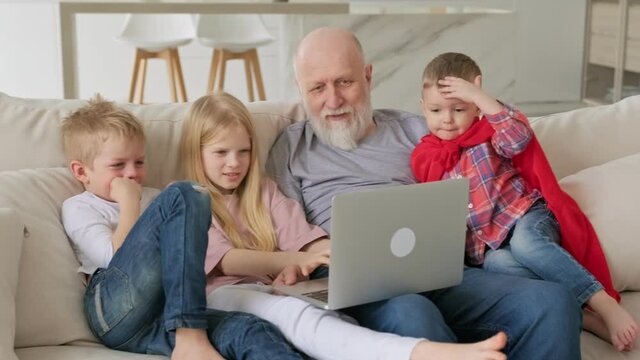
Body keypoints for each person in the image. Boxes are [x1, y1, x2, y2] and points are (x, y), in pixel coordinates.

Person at [266, 26, 583, 359]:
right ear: (301, 89)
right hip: (355, 286)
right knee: (412, 312)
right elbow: (276, 225)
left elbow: (496, 156)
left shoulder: (420, 130)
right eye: (317, 88)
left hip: (440, 272)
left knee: (553, 302)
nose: (333, 100)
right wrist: (301, 256)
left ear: (368, 76)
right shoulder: (290, 148)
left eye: (344, 82)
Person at [179, 91, 508, 360]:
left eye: (244, 151)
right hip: (220, 298)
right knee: (300, 318)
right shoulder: (187, 200)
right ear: (196, 152)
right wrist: (291, 261)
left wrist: (345, 256)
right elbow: (227, 260)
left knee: (332, 318)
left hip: (273, 291)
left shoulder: (263, 191)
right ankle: (426, 352)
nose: (234, 163)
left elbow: (305, 241)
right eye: (221, 152)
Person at [410, 52, 638, 351]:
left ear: (476, 105)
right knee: (500, 264)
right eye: (436, 110)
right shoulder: (427, 155)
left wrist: (482, 97)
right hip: (488, 247)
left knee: (525, 245)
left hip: (526, 217)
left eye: (459, 108)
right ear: (423, 108)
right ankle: (584, 316)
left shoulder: (489, 134)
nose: (447, 119)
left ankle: (602, 303)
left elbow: (518, 137)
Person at [60, 96, 306, 360]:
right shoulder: (80, 207)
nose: (131, 174)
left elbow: (185, 265)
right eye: (118, 165)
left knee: (250, 330)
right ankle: (191, 335)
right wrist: (130, 202)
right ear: (81, 172)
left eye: (139, 162)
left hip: (163, 315)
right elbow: (115, 259)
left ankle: (191, 334)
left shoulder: (157, 199)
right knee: (189, 192)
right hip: (113, 311)